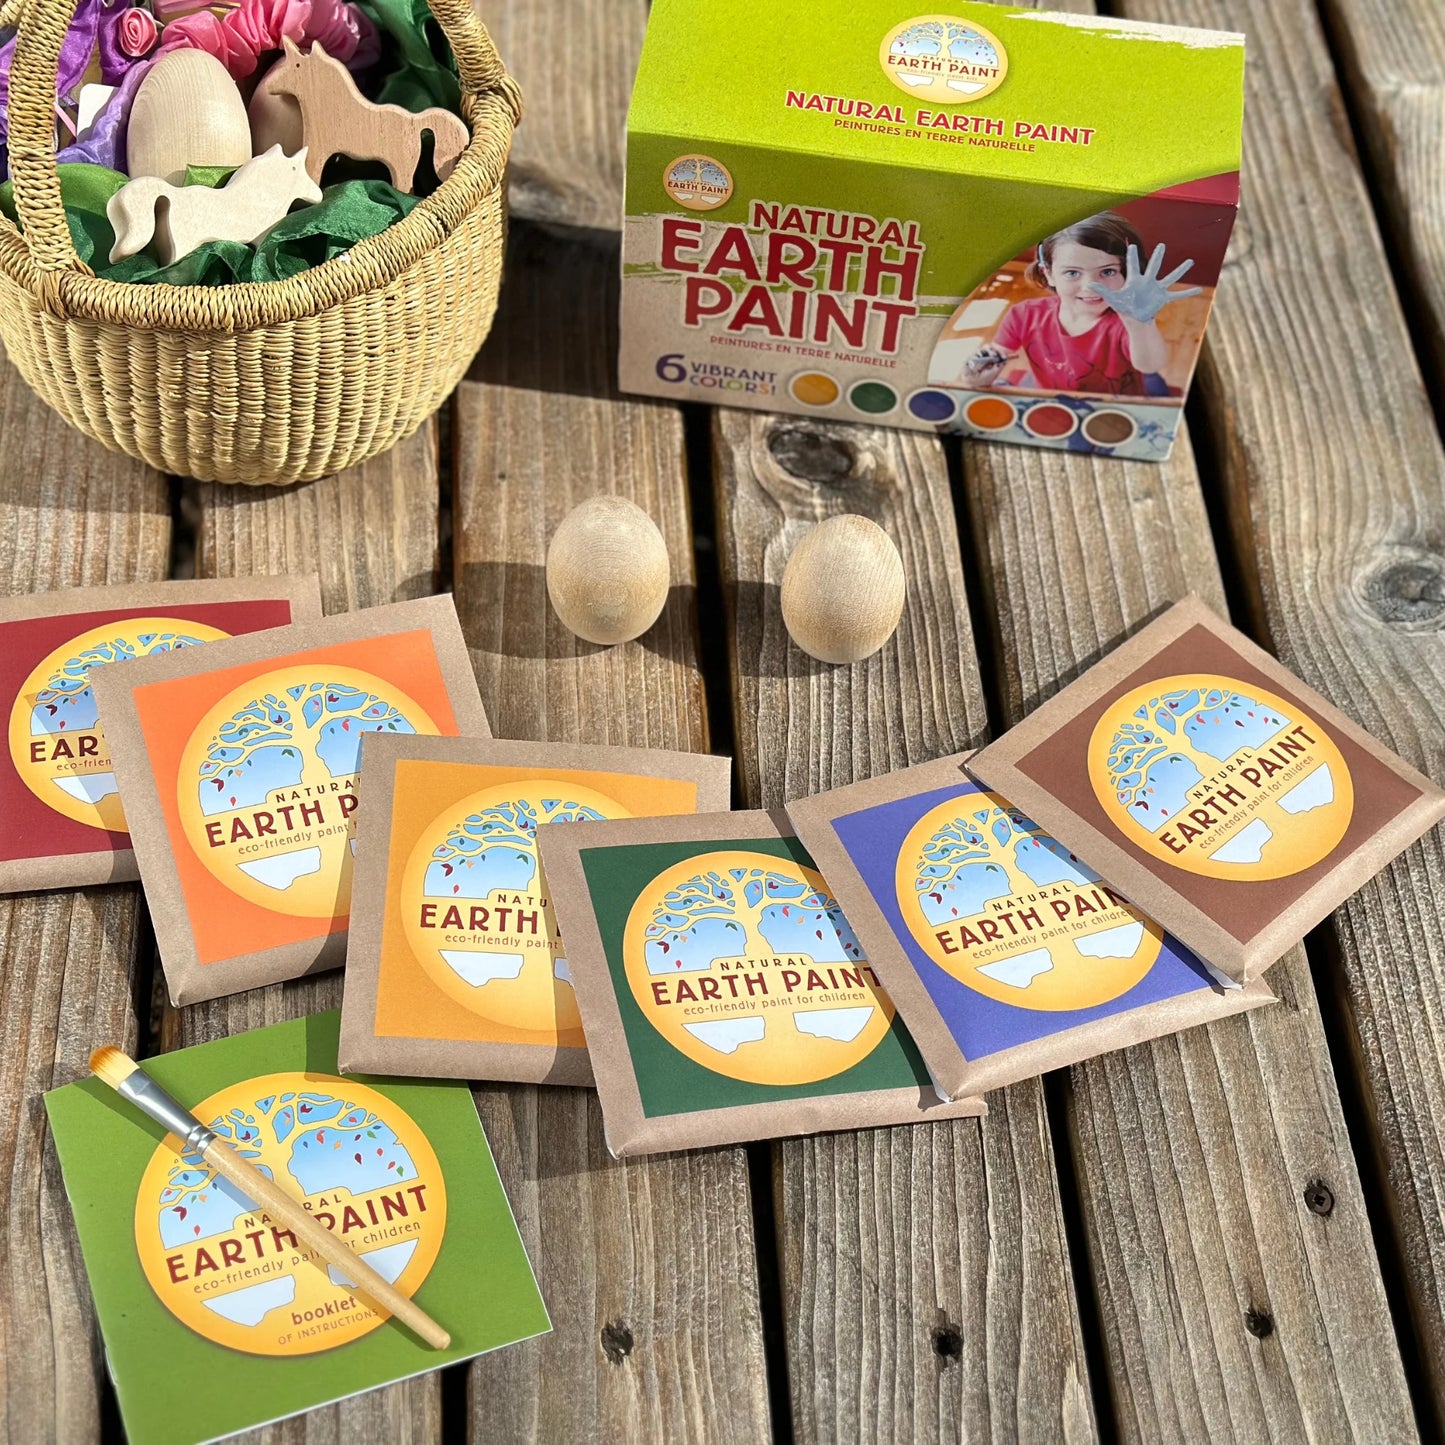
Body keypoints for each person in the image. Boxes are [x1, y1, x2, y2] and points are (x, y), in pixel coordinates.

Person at [965, 213, 1201, 397]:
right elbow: (995, 357)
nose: (1090, 287)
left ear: (1128, 272)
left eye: (1107, 271)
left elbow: (1151, 365)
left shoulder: (1122, 321)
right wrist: (978, 375)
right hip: (1054, 396)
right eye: (1072, 273)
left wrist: (1137, 321)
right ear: (1048, 274)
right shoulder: (1024, 315)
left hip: (1115, 404)